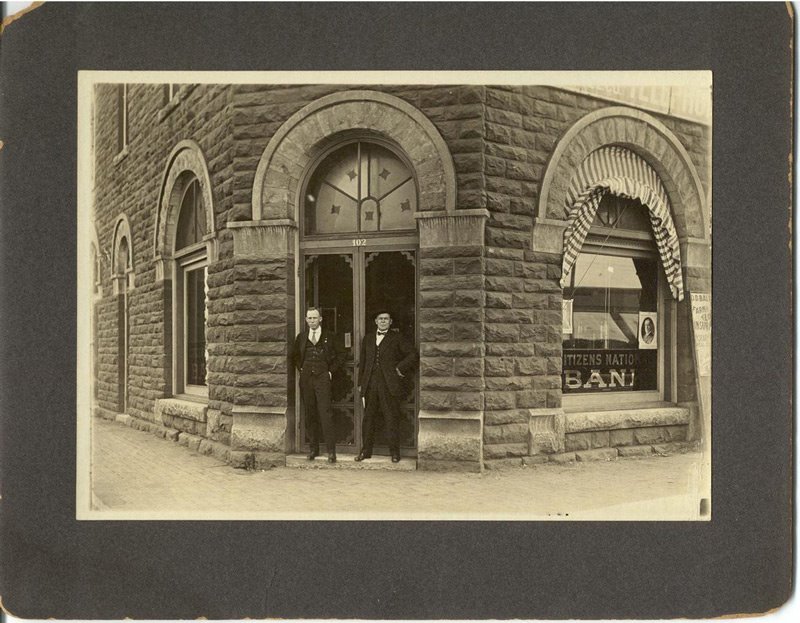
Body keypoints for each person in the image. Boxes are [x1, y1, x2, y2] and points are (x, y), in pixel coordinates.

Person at [356, 310, 418, 463]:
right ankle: (366, 451)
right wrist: (360, 384)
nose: (383, 321)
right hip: (370, 384)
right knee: (368, 418)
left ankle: (395, 453)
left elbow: (412, 355)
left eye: (386, 319)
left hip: (388, 384)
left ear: (390, 322)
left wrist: (399, 368)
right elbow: (363, 363)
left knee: (391, 418)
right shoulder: (368, 339)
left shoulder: (397, 338)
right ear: (376, 321)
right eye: (380, 319)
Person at [292, 307, 343, 463]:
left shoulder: (330, 336)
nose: (312, 321)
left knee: (325, 413)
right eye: (309, 318)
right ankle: (313, 449)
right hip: (307, 379)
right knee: (310, 413)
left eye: (315, 318)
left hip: (322, 378)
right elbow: (295, 356)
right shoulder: (301, 337)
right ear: (306, 320)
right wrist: (301, 368)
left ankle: (331, 451)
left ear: (320, 319)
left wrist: (330, 371)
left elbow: (341, 355)